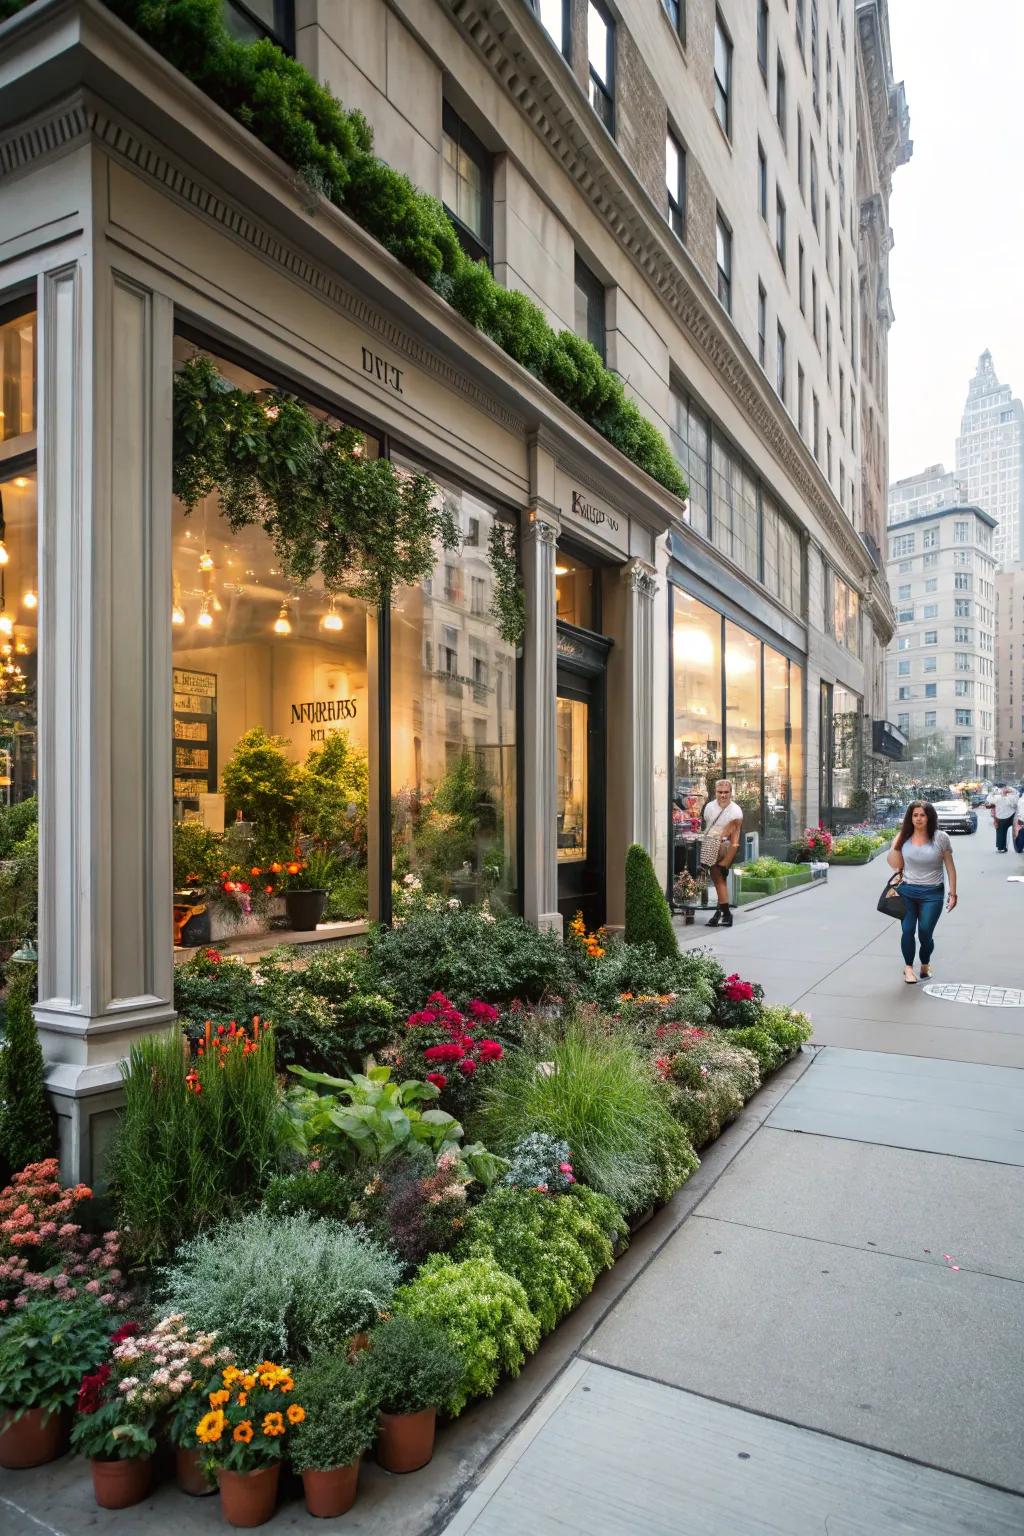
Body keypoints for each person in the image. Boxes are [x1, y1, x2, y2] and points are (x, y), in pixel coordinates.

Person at [887, 801, 958, 984]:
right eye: (915, 815)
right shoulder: (904, 837)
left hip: (932, 893)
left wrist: (953, 893)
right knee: (907, 930)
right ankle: (909, 968)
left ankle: (925, 963)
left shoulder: (940, 838)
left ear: (929, 817)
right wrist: (895, 844)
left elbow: (950, 867)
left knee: (925, 932)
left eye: (922, 815)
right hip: (907, 891)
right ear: (910, 818)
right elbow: (895, 865)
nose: (918, 819)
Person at [701, 779, 743, 927]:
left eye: (726, 792)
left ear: (731, 792)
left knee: (718, 877)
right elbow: (708, 827)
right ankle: (723, 914)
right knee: (719, 880)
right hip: (711, 847)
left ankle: (724, 914)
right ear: (715, 792)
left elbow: (735, 838)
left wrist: (727, 861)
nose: (723, 795)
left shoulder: (736, 811)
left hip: (727, 847)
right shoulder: (709, 808)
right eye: (720, 792)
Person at [986, 783, 1019, 852]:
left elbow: (989, 799)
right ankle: (1017, 846)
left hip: (1002, 817)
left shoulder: (997, 796)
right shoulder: (1012, 794)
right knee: (1016, 830)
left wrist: (992, 793)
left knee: (1001, 833)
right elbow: (1015, 802)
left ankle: (1001, 848)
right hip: (1012, 815)